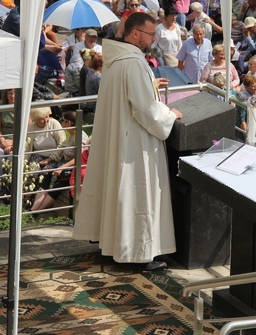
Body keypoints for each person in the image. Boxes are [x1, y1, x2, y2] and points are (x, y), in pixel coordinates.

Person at [73, 13, 182, 270]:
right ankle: (136, 252)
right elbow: (145, 109)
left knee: (117, 191)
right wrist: (169, 114)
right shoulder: (133, 62)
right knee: (136, 192)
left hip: (118, 135)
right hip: (134, 142)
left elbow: (129, 92)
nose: (154, 39)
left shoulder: (116, 60)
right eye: (151, 34)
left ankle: (113, 245)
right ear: (136, 34)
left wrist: (150, 84)